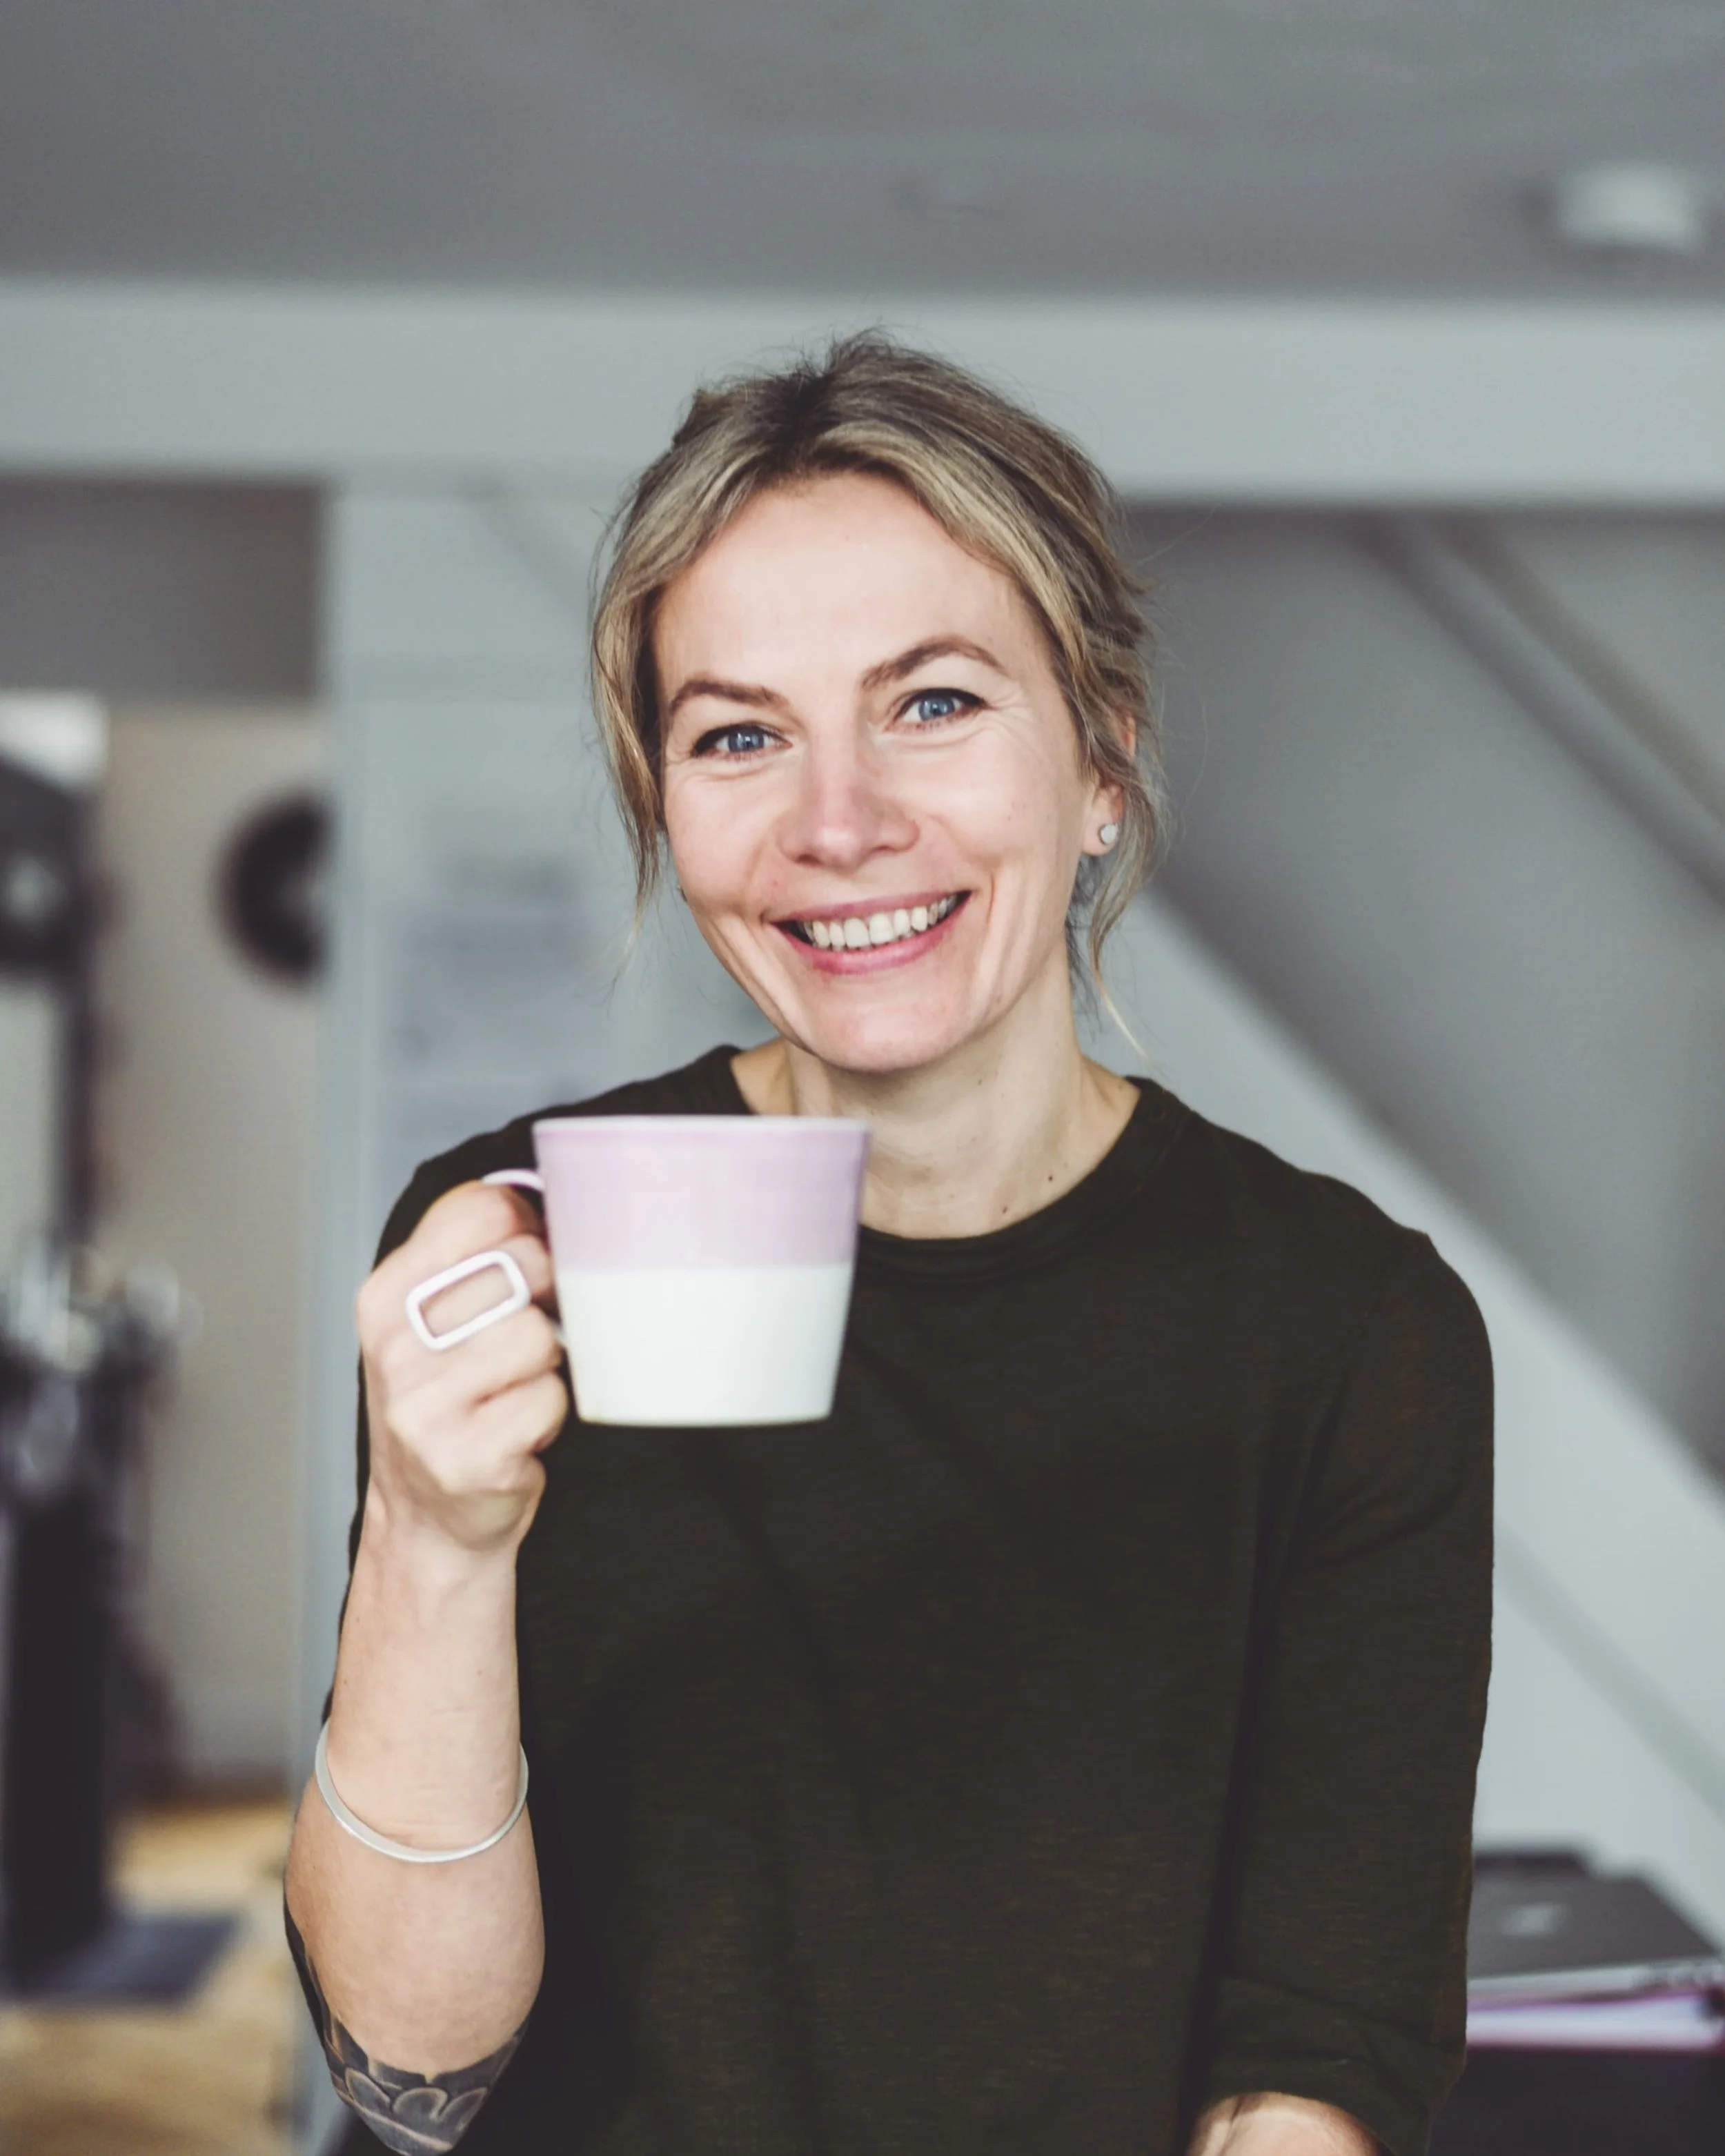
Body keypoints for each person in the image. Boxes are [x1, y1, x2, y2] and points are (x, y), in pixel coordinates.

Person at [284, 335, 1493, 2156]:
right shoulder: (508, 1256)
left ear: (1099, 760)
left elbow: (1319, 2038)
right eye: (739, 733)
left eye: (931, 702)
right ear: (665, 810)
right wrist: (433, 1542)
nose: (837, 822)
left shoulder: (1345, 1326)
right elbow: (411, 2076)